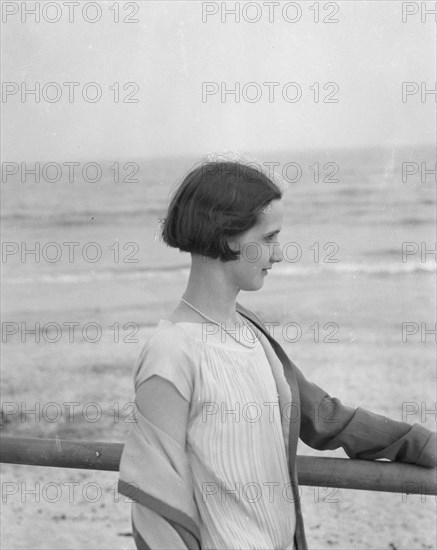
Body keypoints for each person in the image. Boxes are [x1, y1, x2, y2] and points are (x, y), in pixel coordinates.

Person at [118, 158, 436, 550]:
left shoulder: (253, 335)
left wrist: (422, 446)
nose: (279, 254)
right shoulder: (170, 352)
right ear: (230, 237)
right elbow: (156, 509)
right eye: (269, 238)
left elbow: (326, 416)